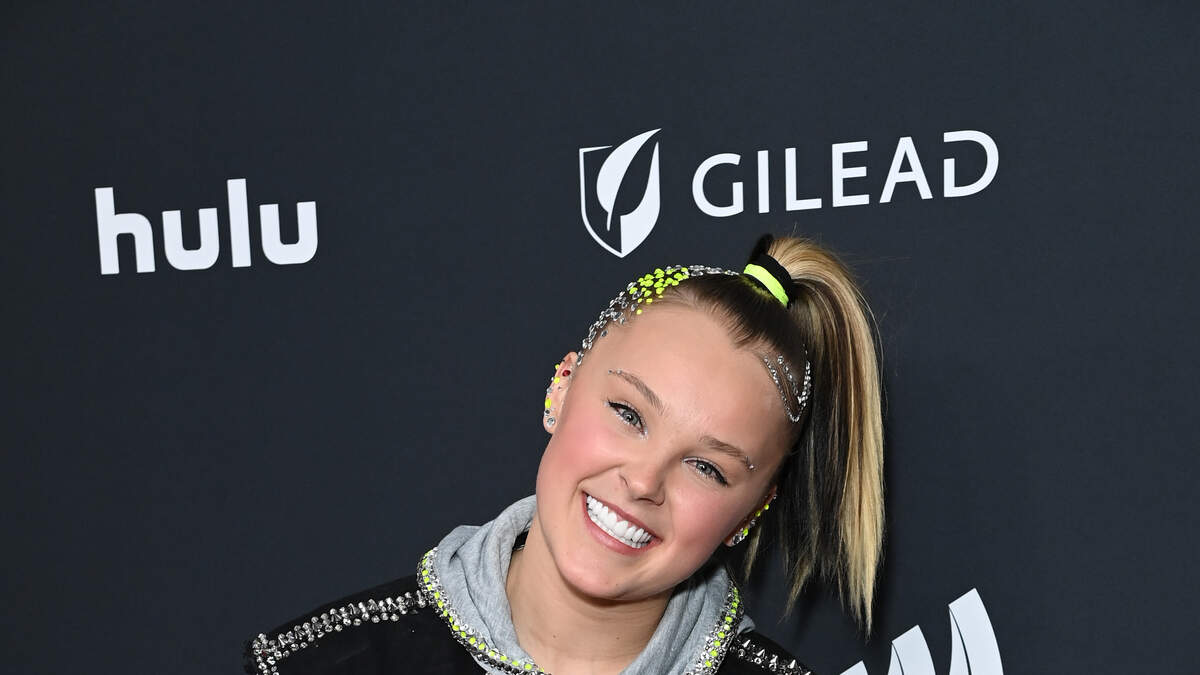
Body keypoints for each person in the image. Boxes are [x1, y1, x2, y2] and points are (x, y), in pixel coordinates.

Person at [244, 233, 884, 675]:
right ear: (562, 387)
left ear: (752, 511)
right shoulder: (323, 663)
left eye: (706, 467)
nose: (644, 480)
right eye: (629, 414)